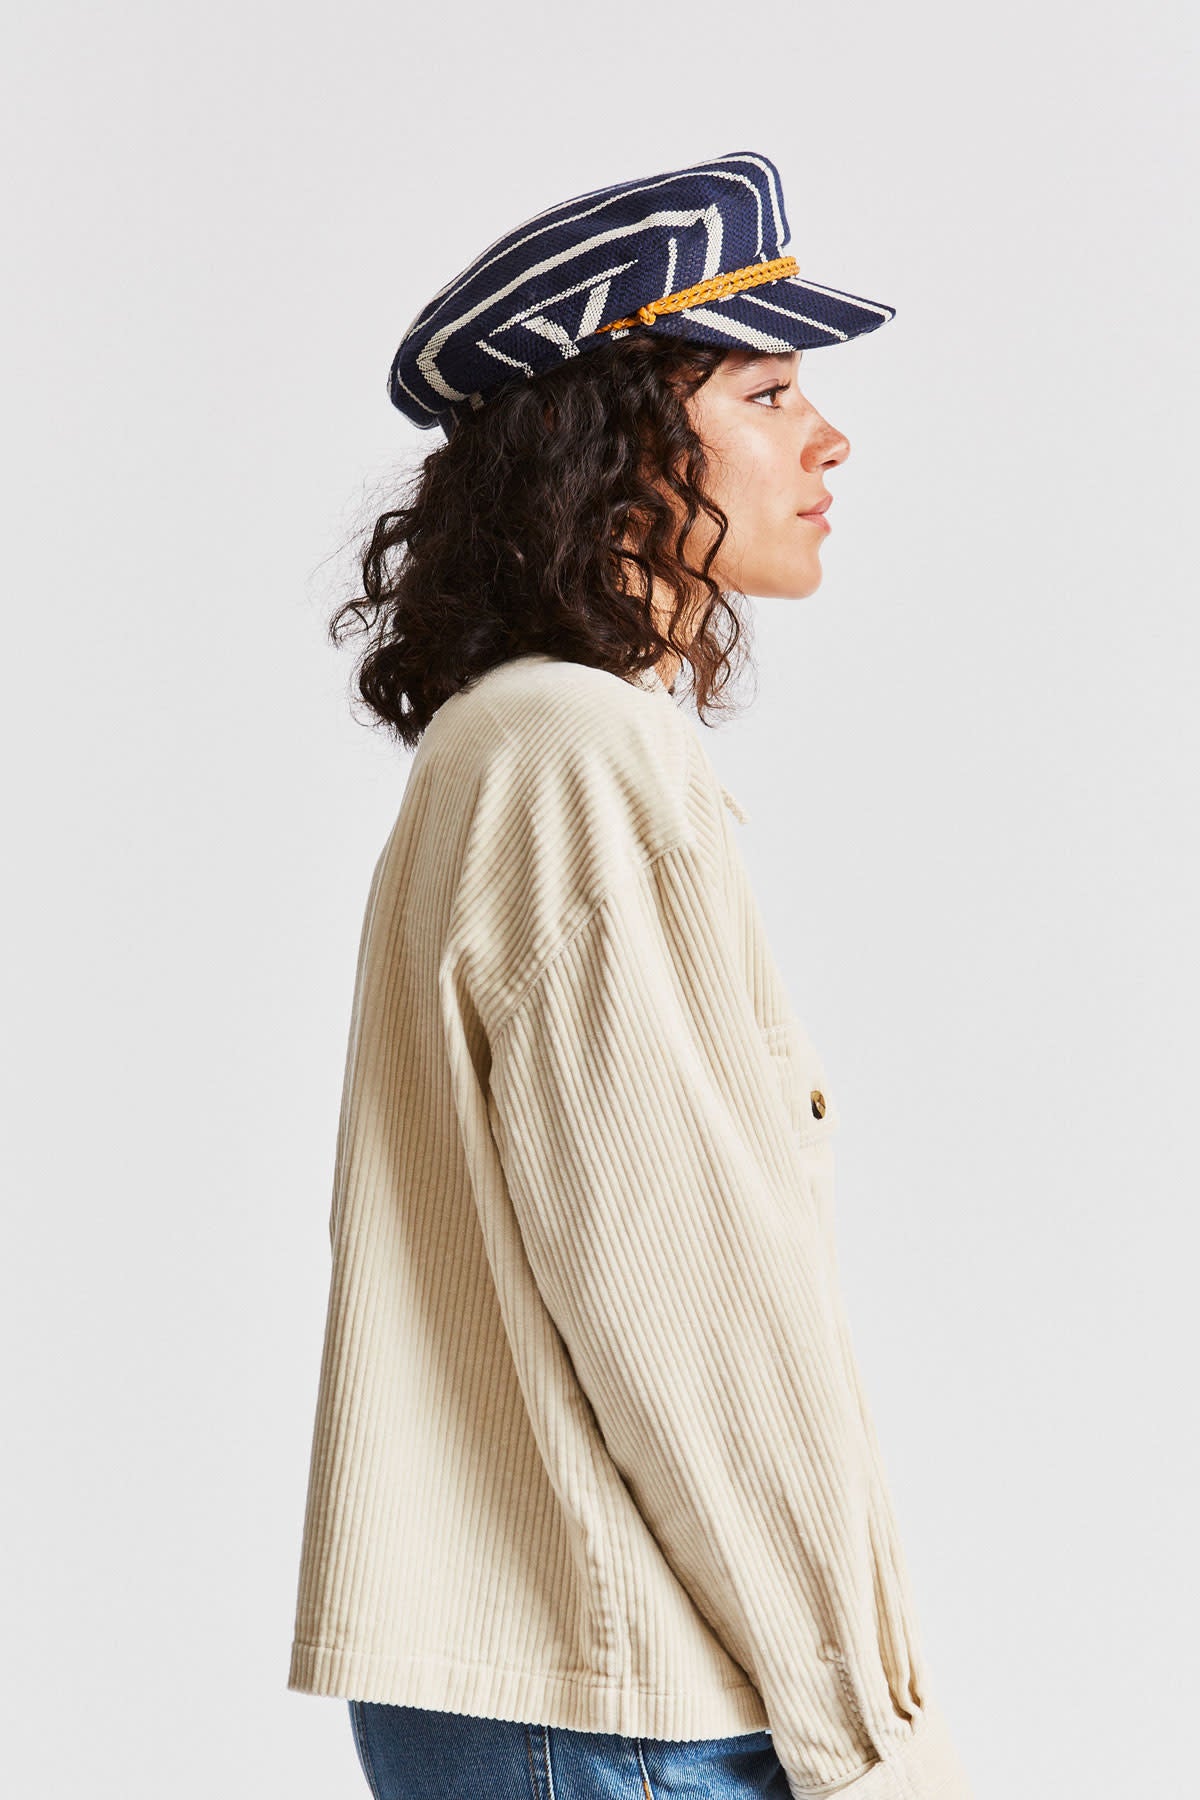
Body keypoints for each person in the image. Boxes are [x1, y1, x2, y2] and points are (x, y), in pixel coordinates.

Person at [286, 150, 973, 1800]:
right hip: (629, 1705)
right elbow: (686, 1296)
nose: (829, 439)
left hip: (558, 1682)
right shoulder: (581, 756)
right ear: (615, 448)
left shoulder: (519, 741)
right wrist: (870, 1737)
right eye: (767, 393)